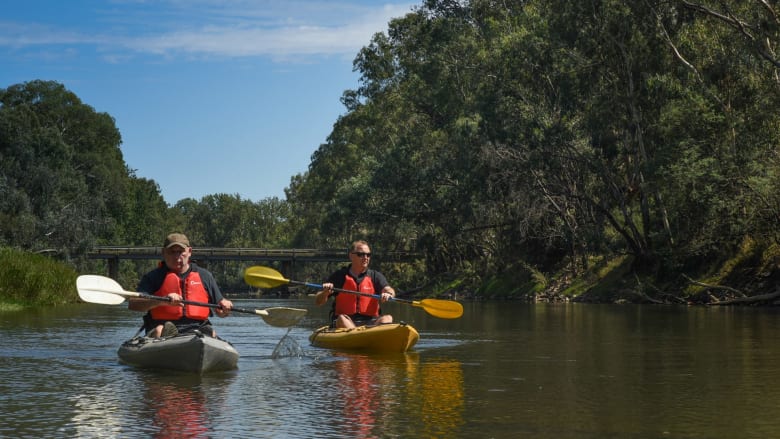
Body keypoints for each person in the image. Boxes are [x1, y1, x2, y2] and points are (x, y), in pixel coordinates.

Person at [128, 233, 233, 338]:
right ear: (163, 252)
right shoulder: (153, 277)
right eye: (172, 252)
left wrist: (225, 308)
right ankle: (168, 337)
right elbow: (133, 304)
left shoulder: (205, 276)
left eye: (181, 251)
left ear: (189, 252)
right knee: (160, 330)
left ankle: (200, 341)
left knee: (211, 333)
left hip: (196, 328)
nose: (177, 256)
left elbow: (220, 312)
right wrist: (161, 301)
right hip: (161, 326)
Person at [315, 240, 396, 328]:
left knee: (388, 318)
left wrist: (389, 294)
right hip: (346, 321)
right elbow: (318, 302)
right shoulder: (339, 276)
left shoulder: (375, 276)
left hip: (371, 322)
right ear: (351, 256)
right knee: (341, 318)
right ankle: (358, 336)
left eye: (368, 255)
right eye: (361, 254)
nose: (365, 257)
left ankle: (366, 336)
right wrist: (325, 293)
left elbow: (388, 289)